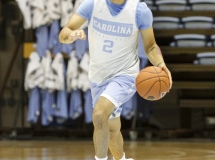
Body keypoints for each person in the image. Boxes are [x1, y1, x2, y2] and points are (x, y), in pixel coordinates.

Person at [59, 0, 172, 159]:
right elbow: (64, 33)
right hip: (98, 76)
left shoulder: (139, 11)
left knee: (99, 114)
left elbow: (151, 46)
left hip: (125, 75)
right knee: (111, 129)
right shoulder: (92, 4)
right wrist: (70, 35)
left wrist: (161, 64)